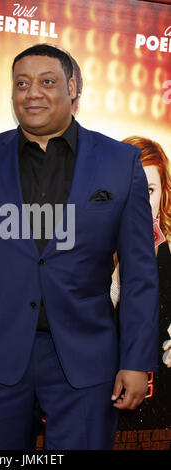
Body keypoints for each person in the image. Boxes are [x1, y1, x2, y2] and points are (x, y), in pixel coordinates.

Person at [0, 44, 159, 450]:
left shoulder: (119, 162)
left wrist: (136, 361)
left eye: (46, 81)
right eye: (21, 83)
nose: (31, 92)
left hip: (87, 359)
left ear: (73, 88)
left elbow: (141, 274)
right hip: (0, 357)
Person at [110, 136, 171, 434]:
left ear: (163, 194)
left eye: (148, 190)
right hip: (103, 400)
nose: (138, 202)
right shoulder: (89, 253)